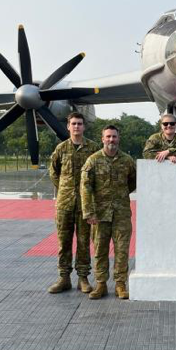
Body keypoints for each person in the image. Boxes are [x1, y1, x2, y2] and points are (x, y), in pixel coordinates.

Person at [47, 112, 100, 294]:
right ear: (68, 126)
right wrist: (64, 189)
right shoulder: (61, 149)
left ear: (84, 127)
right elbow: (54, 172)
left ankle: (83, 278)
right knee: (64, 242)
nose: (76, 127)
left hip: (86, 204)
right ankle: (64, 277)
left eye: (79, 124)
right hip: (65, 204)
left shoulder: (93, 148)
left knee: (84, 242)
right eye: (73, 124)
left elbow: (98, 173)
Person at [82, 125, 137, 300]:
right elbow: (85, 187)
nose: (111, 140)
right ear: (102, 139)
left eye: (114, 137)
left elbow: (133, 182)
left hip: (121, 213)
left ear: (118, 138)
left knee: (122, 250)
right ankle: (101, 284)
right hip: (99, 214)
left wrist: (119, 197)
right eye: (108, 137)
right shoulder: (93, 160)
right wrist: (89, 211)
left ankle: (120, 284)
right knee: (100, 250)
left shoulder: (127, 161)